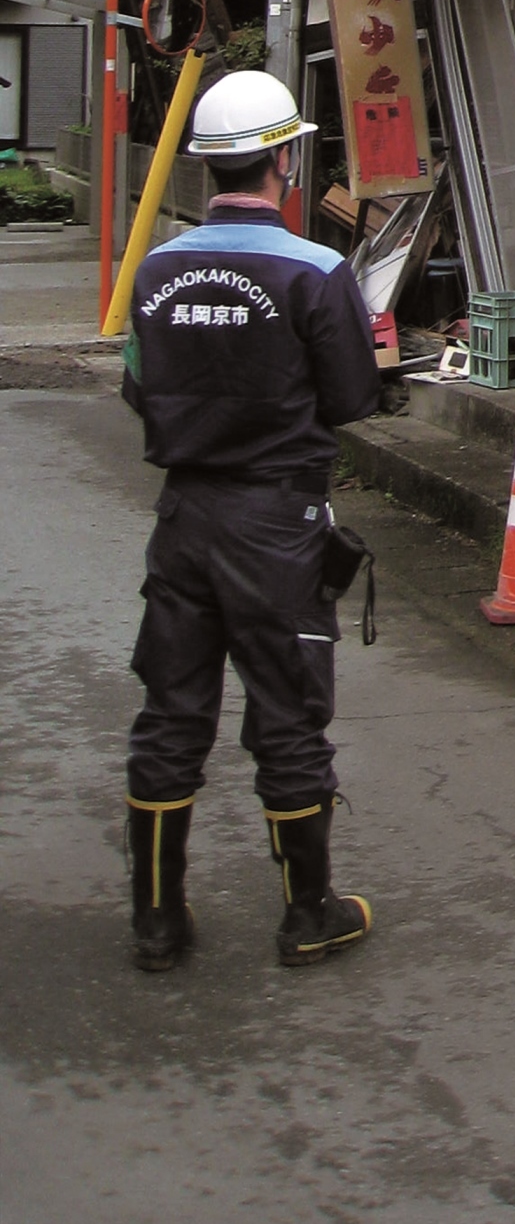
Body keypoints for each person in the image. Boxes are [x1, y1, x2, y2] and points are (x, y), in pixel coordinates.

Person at [121, 67, 383, 972]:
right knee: (287, 715)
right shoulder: (316, 271)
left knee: (170, 712)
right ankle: (307, 914)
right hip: (275, 522)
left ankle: (157, 922)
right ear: (284, 160)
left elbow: (137, 384)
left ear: (205, 169)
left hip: (184, 516)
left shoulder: (155, 268)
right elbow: (352, 397)